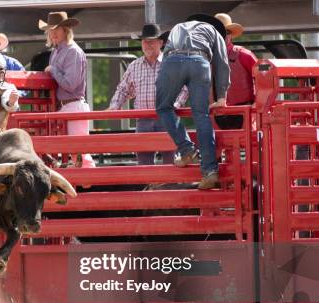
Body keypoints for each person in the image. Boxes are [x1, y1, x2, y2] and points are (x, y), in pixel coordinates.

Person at [156, 14, 230, 190]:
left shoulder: (178, 26)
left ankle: (187, 150)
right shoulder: (214, 32)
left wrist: (167, 82)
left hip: (173, 60)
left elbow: (166, 57)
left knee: (164, 107)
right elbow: (221, 63)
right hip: (200, 62)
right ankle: (210, 171)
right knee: (201, 115)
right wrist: (221, 96)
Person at [108, 24, 188, 165]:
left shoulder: (170, 63)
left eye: (151, 41)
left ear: (161, 42)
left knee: (170, 161)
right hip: (143, 120)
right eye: (145, 41)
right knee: (144, 164)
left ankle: (169, 186)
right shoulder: (134, 66)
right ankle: (149, 186)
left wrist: (176, 104)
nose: (147, 44)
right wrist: (114, 106)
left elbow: (184, 88)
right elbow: (123, 89)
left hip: (166, 118)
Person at [39, 11, 94, 168]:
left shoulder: (73, 51)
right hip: (64, 106)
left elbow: (70, 84)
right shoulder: (56, 52)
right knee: (72, 152)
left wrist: (53, 70)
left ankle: (91, 182)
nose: (53, 32)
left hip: (73, 105)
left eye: (57, 28)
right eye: (50, 29)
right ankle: (85, 184)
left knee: (80, 152)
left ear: (66, 30)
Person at [214, 13, 258, 130]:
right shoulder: (204, 59)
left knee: (249, 145)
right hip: (215, 114)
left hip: (244, 113)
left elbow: (264, 80)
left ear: (230, 35)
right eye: (218, 32)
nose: (222, 36)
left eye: (226, 32)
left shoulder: (244, 55)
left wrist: (256, 105)